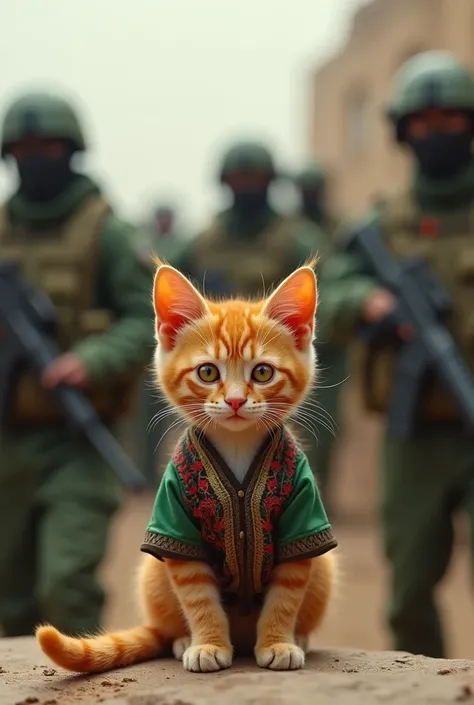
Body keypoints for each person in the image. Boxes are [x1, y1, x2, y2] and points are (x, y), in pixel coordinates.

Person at [323, 50, 474, 658]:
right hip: (414, 437)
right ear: (403, 130)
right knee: (409, 589)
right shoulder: (379, 227)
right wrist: (370, 304)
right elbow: (325, 292)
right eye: (423, 121)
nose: (436, 133)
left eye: (451, 120)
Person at [0, 90, 154, 637]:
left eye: (48, 145)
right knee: (7, 600)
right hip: (7, 442)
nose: (35, 157)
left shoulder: (107, 232)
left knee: (66, 585)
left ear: (72, 150)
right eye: (24, 147)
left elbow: (148, 319)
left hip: (78, 440)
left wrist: (91, 359)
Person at [172, 140, 336, 477]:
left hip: (273, 368)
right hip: (218, 370)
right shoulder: (203, 241)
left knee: (299, 458)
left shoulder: (297, 238)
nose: (246, 186)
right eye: (239, 178)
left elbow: (329, 291)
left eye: (255, 178)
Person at [294, 163, 348, 500]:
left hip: (327, 348)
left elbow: (338, 283)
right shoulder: (290, 231)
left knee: (323, 429)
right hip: (281, 347)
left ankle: (317, 497)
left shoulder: (336, 231)